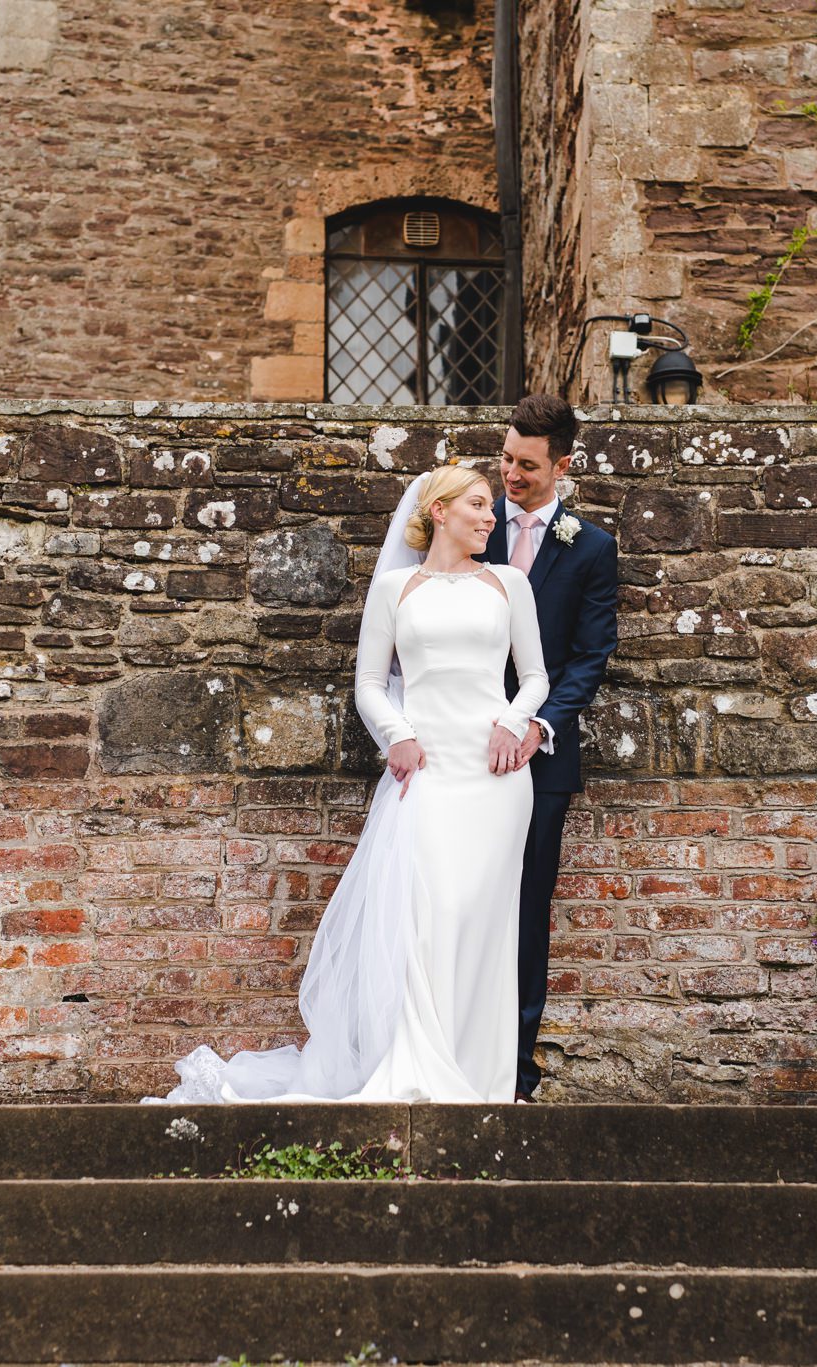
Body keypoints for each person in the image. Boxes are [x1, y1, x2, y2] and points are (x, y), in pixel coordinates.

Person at [157, 464, 549, 1103]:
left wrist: (513, 722)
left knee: (482, 921)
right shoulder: (397, 589)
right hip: (424, 771)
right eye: (478, 504)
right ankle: (420, 1064)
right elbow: (369, 684)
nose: (489, 516)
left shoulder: (508, 584)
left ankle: (480, 1078)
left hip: (495, 778)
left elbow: (535, 676)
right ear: (441, 511)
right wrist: (397, 735)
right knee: (428, 916)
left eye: (491, 506)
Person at [482, 394, 620, 1101]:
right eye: (506, 457)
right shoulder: (473, 530)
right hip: (466, 750)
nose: (510, 474)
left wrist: (540, 725)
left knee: (528, 907)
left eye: (527, 465)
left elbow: (591, 657)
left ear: (562, 465)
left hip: (542, 760)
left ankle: (516, 1070)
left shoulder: (590, 547)